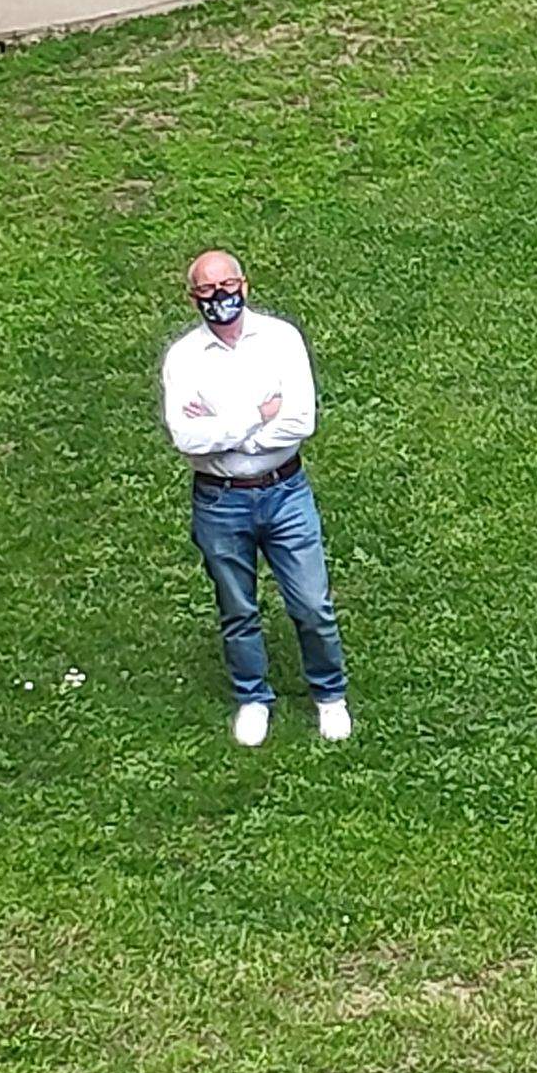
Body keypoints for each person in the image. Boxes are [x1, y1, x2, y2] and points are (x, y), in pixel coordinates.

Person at [161, 249, 348, 747]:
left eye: (227, 284)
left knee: (311, 603)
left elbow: (300, 420)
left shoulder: (281, 340)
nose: (220, 296)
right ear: (193, 296)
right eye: (207, 289)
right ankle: (252, 697)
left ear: (244, 283)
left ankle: (330, 695)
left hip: (285, 491)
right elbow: (186, 437)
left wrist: (225, 428)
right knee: (237, 607)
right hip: (220, 501)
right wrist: (254, 417)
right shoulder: (184, 358)